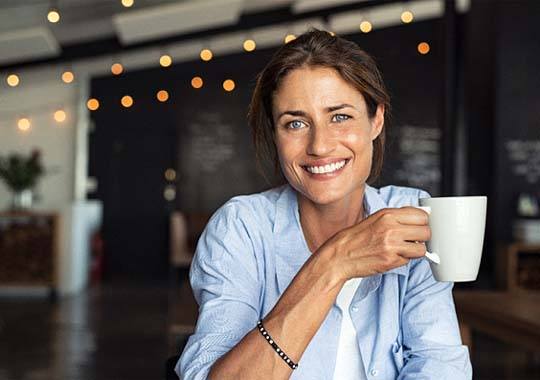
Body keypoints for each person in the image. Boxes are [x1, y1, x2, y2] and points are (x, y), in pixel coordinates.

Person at [176, 29, 472, 380]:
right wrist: (333, 265)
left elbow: (440, 366)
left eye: (340, 116)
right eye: (296, 123)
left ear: (375, 119)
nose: (319, 146)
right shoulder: (240, 229)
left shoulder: (413, 216)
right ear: (275, 134)